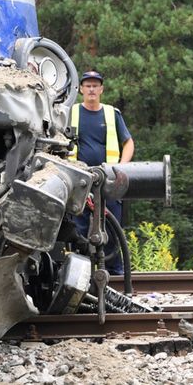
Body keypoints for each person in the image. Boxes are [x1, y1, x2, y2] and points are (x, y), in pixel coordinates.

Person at [68, 70, 134, 275]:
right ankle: (82, 273)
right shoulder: (72, 112)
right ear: (80, 89)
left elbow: (128, 142)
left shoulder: (111, 114)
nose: (91, 89)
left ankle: (115, 272)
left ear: (102, 89)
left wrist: (121, 168)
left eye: (95, 85)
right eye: (87, 85)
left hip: (109, 182)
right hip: (79, 181)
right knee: (78, 230)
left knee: (112, 229)